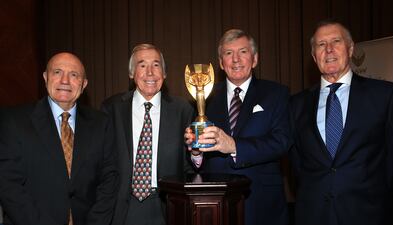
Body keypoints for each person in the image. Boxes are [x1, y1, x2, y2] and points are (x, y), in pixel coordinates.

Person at [289, 20, 393, 225]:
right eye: (321, 45)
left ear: (350, 49)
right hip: (313, 214)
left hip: (369, 213)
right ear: (314, 57)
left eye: (336, 41)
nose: (329, 49)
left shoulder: (386, 96)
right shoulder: (296, 104)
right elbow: (297, 163)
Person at [185, 29, 290, 225]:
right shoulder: (205, 97)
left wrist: (234, 146)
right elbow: (197, 163)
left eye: (242, 52)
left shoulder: (276, 93)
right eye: (228, 53)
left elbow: (282, 142)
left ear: (255, 58)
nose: (235, 59)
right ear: (221, 63)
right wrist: (195, 151)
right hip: (215, 204)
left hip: (262, 203)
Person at [0, 52, 118, 225]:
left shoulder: (101, 123)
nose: (65, 80)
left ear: (83, 84)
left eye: (74, 74)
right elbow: (9, 185)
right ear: (45, 77)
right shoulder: (14, 121)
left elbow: (109, 180)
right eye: (57, 72)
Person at [102, 44, 195, 225]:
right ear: (131, 73)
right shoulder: (111, 108)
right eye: (142, 65)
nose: (150, 72)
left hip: (167, 206)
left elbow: (190, 165)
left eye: (156, 65)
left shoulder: (182, 110)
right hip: (122, 207)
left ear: (165, 73)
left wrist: (197, 154)